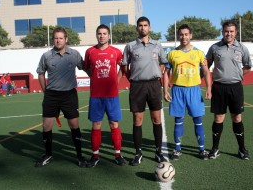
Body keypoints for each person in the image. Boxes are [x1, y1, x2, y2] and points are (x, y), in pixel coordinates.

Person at [35, 27, 87, 167]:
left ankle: (79, 155)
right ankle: (48, 154)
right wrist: (45, 91)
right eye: (56, 38)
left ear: (66, 39)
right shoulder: (46, 56)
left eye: (60, 38)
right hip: (51, 95)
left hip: (69, 94)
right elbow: (40, 73)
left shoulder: (74, 54)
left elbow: (85, 67)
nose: (58, 40)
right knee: (46, 126)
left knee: (74, 125)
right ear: (53, 40)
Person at [122, 16, 168, 166]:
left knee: (156, 119)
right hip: (137, 86)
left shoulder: (157, 45)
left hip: (154, 85)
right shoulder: (130, 46)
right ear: (137, 28)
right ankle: (138, 153)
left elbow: (163, 63)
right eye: (140, 25)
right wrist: (134, 79)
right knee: (137, 120)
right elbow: (124, 67)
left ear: (150, 27)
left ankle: (158, 152)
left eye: (145, 25)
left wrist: (156, 73)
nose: (143, 28)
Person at [163, 24, 212, 160]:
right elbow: (166, 73)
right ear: (178, 36)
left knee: (198, 120)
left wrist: (208, 88)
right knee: (179, 120)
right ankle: (177, 149)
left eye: (186, 34)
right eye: (181, 34)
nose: (183, 37)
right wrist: (165, 90)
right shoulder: (172, 53)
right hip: (177, 90)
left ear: (191, 35)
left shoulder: (199, 53)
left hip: (194, 90)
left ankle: (202, 150)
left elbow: (206, 71)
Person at [206, 21, 252, 160]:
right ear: (222, 32)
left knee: (237, 118)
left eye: (231, 31)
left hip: (236, 87)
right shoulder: (214, 48)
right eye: (226, 31)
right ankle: (215, 149)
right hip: (219, 87)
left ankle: (242, 149)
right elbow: (206, 65)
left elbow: (248, 66)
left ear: (236, 32)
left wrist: (238, 75)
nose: (229, 34)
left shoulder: (242, 48)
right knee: (218, 118)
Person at [84, 24, 126, 167]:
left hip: (112, 95)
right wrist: (93, 77)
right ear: (96, 35)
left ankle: (117, 154)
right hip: (96, 95)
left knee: (114, 123)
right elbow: (87, 68)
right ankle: (95, 155)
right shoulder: (90, 52)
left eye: (104, 33)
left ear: (109, 36)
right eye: (99, 33)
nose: (102, 36)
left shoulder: (116, 52)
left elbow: (123, 68)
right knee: (96, 124)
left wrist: (116, 80)